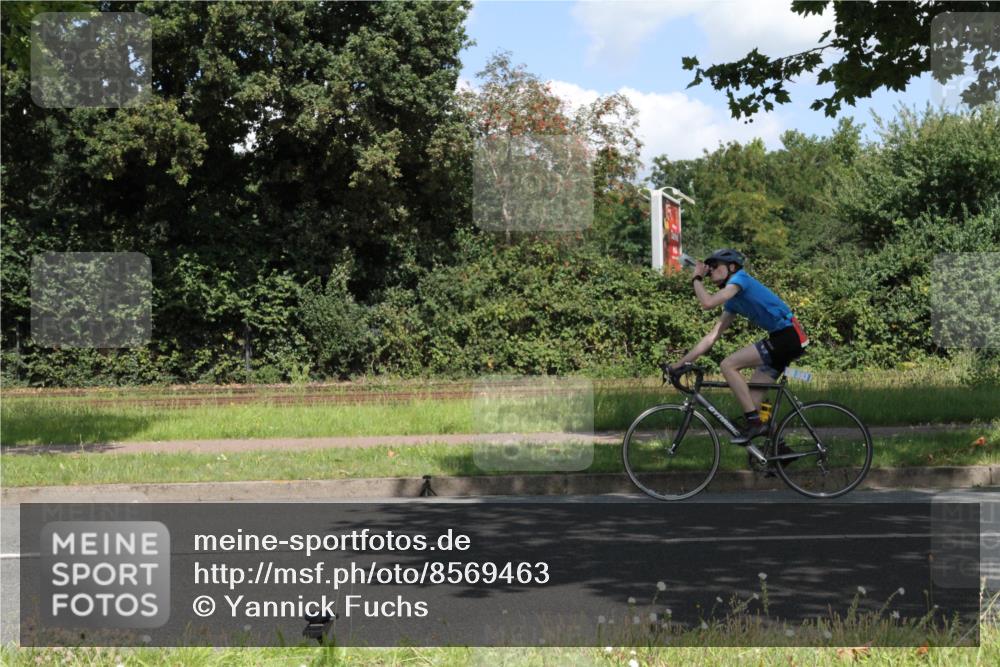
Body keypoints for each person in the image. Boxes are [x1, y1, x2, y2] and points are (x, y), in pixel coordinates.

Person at [668, 249, 809, 444]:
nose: (712, 273)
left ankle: (755, 423)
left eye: (716, 267)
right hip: (782, 338)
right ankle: (780, 451)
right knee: (752, 402)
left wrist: (697, 278)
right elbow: (712, 337)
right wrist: (679, 364)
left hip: (788, 336)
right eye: (711, 269)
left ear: (732, 267)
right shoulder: (732, 300)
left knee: (728, 365)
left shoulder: (741, 279)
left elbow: (707, 302)